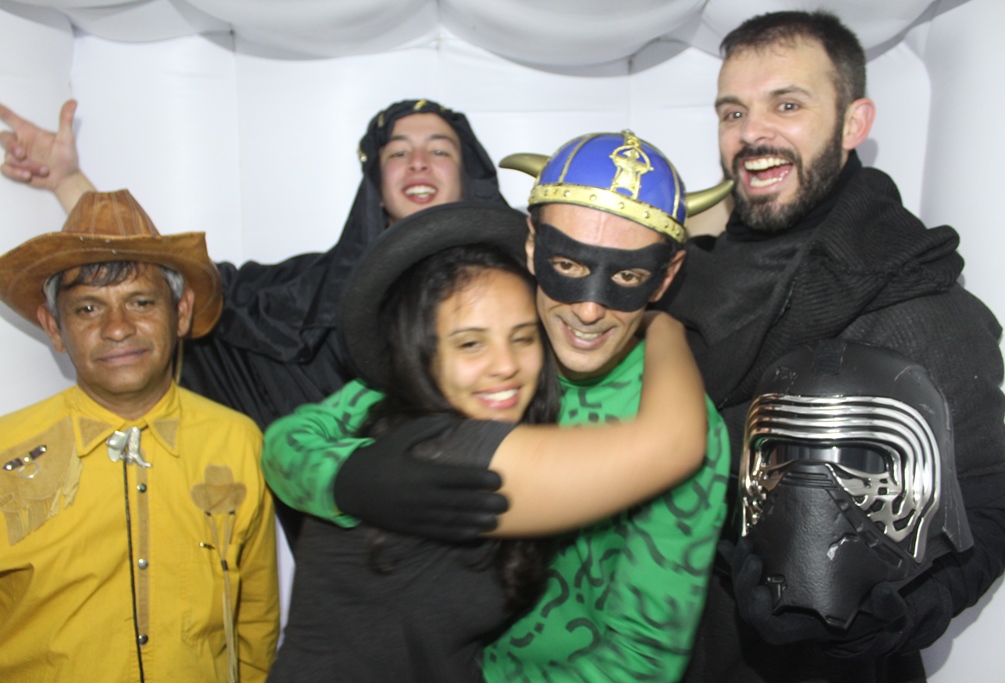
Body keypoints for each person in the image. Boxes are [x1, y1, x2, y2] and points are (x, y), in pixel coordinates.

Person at [263, 131, 735, 681]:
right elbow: (286, 443)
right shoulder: (496, 345)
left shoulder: (677, 419)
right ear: (534, 246)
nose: (588, 310)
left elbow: (642, 659)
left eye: (628, 276)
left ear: (666, 276)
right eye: (569, 265)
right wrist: (344, 478)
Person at [655, 11, 1005, 682]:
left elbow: (990, 507)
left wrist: (890, 616)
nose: (752, 135)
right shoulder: (686, 274)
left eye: (787, 105)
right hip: (665, 642)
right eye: (732, 112)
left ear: (854, 123)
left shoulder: (910, 296)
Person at [0, 97, 512, 543]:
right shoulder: (307, 295)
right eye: (397, 152)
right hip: (352, 568)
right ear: (377, 185)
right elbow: (168, 292)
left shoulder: (523, 287)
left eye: (440, 150)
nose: (418, 161)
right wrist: (68, 182)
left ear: (467, 178)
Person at [0, 190, 279, 682]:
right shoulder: (6, 452)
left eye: (141, 302)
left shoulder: (237, 442)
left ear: (181, 312)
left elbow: (255, 623)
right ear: (54, 328)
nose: (117, 328)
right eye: (88, 308)